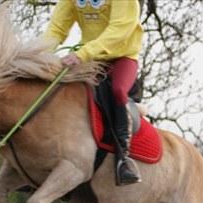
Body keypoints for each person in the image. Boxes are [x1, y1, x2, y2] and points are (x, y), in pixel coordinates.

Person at [44, 0, 143, 186]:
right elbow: (57, 28)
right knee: (60, 89)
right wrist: (39, 54)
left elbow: (120, 30)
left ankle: (124, 159)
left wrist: (83, 54)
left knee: (118, 90)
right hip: (90, 57)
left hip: (121, 57)